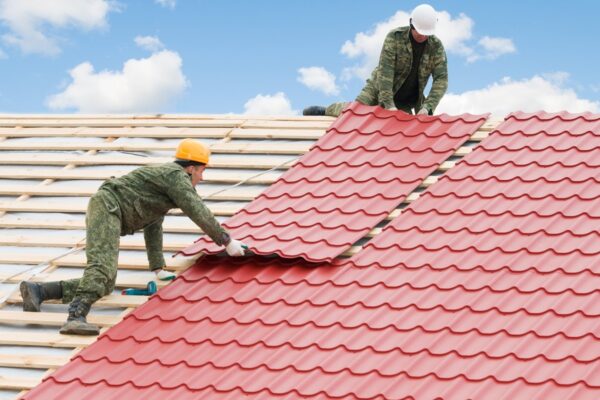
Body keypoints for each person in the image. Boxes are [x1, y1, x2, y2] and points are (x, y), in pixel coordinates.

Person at [19, 139, 247, 335]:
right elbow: (197, 210)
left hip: (109, 209)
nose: (202, 178)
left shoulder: (165, 188)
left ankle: (39, 291)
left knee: (106, 284)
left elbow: (154, 223)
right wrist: (226, 240)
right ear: (190, 168)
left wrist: (158, 267)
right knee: (101, 270)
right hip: (108, 206)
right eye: (202, 170)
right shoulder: (175, 177)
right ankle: (75, 317)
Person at [303, 4, 447, 117]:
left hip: (406, 99)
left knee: (400, 128)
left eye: (426, 33)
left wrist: (427, 107)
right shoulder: (394, 38)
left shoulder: (436, 47)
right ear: (411, 24)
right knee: (356, 113)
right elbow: (386, 72)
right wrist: (388, 104)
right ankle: (327, 110)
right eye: (419, 32)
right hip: (378, 87)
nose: (422, 36)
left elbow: (441, 79)